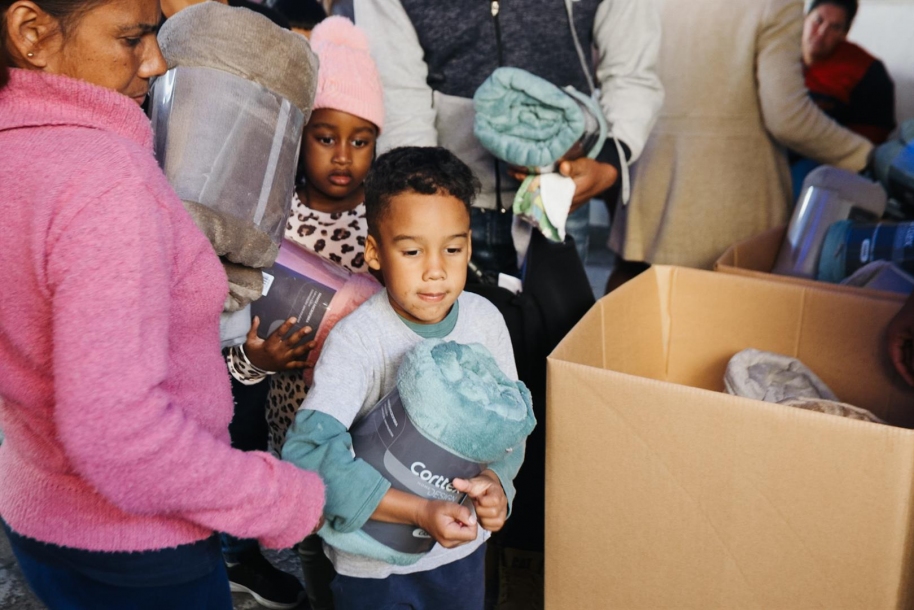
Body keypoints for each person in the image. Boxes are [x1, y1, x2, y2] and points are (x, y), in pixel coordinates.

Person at [0, 1, 325, 609]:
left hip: (37, 515)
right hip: (139, 549)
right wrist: (285, 497)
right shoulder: (104, 179)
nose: (155, 60)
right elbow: (118, 435)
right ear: (31, 33)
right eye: (131, 38)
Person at [282, 146, 527, 610]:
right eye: (412, 250)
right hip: (374, 568)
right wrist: (419, 510)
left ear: (470, 246)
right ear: (374, 252)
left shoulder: (485, 321)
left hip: (459, 556)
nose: (436, 269)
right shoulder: (361, 340)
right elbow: (309, 455)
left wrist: (498, 482)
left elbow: (509, 431)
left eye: (453, 249)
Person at [225, 15, 383, 609]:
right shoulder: (270, 216)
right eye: (325, 135)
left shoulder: (387, 223)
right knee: (314, 525)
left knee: (362, 520)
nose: (343, 156)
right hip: (291, 416)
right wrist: (259, 358)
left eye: (360, 139)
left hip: (367, 416)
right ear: (298, 135)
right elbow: (232, 338)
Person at [354, 0, 663, 275]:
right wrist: (424, 194)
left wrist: (611, 157)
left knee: (564, 337)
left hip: (557, 198)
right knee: (449, 339)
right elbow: (397, 88)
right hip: (448, 205)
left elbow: (631, 71)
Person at [607, 0, 875, 277]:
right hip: (729, 203)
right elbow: (787, 117)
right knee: (723, 313)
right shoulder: (775, 5)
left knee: (635, 305)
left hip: (646, 187)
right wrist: (866, 156)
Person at [802, 0, 895, 145]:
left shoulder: (867, 70)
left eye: (835, 27)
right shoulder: (775, 54)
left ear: (844, 34)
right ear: (804, 19)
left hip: (825, 153)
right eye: (818, 20)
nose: (821, 32)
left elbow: (870, 139)